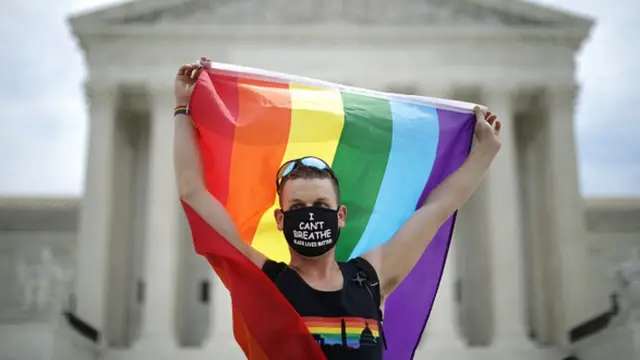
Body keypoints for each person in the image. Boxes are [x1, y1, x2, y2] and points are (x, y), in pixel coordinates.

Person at [173, 58, 502, 360]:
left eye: (321, 205)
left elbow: (437, 209)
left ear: (340, 216)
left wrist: (485, 152)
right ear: (280, 218)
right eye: (298, 206)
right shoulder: (265, 284)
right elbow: (193, 193)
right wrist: (183, 109)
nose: (311, 214)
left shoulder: (371, 278)